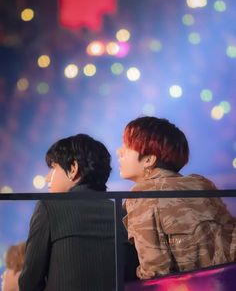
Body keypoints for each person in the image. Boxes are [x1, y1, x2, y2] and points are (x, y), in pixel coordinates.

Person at [117, 116, 236, 280]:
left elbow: (154, 273)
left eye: (127, 146)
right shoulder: (201, 184)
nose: (119, 151)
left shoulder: (142, 194)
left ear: (149, 160)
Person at [19, 134, 115, 291]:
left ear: (73, 169)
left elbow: (29, 283)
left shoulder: (49, 208)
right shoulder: (121, 211)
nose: (47, 177)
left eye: (53, 167)